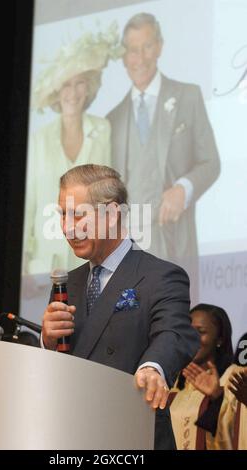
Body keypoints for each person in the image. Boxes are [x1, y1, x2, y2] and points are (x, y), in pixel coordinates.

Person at [41, 163, 200, 450]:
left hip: (133, 435)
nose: (67, 227)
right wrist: (47, 341)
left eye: (78, 214)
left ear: (112, 214)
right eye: (63, 215)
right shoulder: (68, 284)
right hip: (73, 437)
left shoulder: (159, 276)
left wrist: (154, 368)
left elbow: (174, 333)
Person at [107, 13, 221, 303]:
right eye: (133, 50)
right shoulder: (113, 119)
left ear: (159, 47)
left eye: (147, 46)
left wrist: (184, 187)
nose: (140, 57)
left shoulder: (188, 96)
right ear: (124, 57)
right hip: (129, 255)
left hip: (177, 243)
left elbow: (211, 161)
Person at [23, 23, 123, 279]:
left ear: (89, 87)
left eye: (80, 83)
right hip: (45, 263)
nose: (73, 92)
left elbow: (110, 195)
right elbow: (30, 205)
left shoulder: (103, 129)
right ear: (57, 91)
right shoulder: (38, 139)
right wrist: (24, 261)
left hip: (93, 254)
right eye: (66, 84)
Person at [169, 303, 234, 449]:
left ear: (219, 340)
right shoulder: (173, 381)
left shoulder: (234, 379)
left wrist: (216, 398)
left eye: (201, 331)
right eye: (189, 331)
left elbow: (237, 435)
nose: (192, 338)